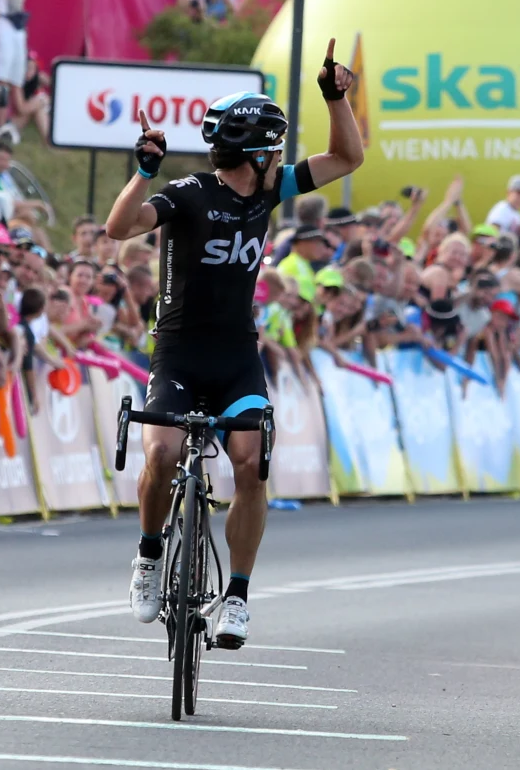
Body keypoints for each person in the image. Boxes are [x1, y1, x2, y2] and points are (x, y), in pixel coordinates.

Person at [105, 39, 363, 647]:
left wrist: (335, 97)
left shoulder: (270, 191)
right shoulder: (192, 194)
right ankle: (147, 557)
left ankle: (238, 597)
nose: (281, 157)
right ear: (259, 152)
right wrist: (143, 173)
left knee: (251, 467)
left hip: (236, 357)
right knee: (163, 456)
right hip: (178, 352)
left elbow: (347, 157)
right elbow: (120, 228)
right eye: (275, 148)